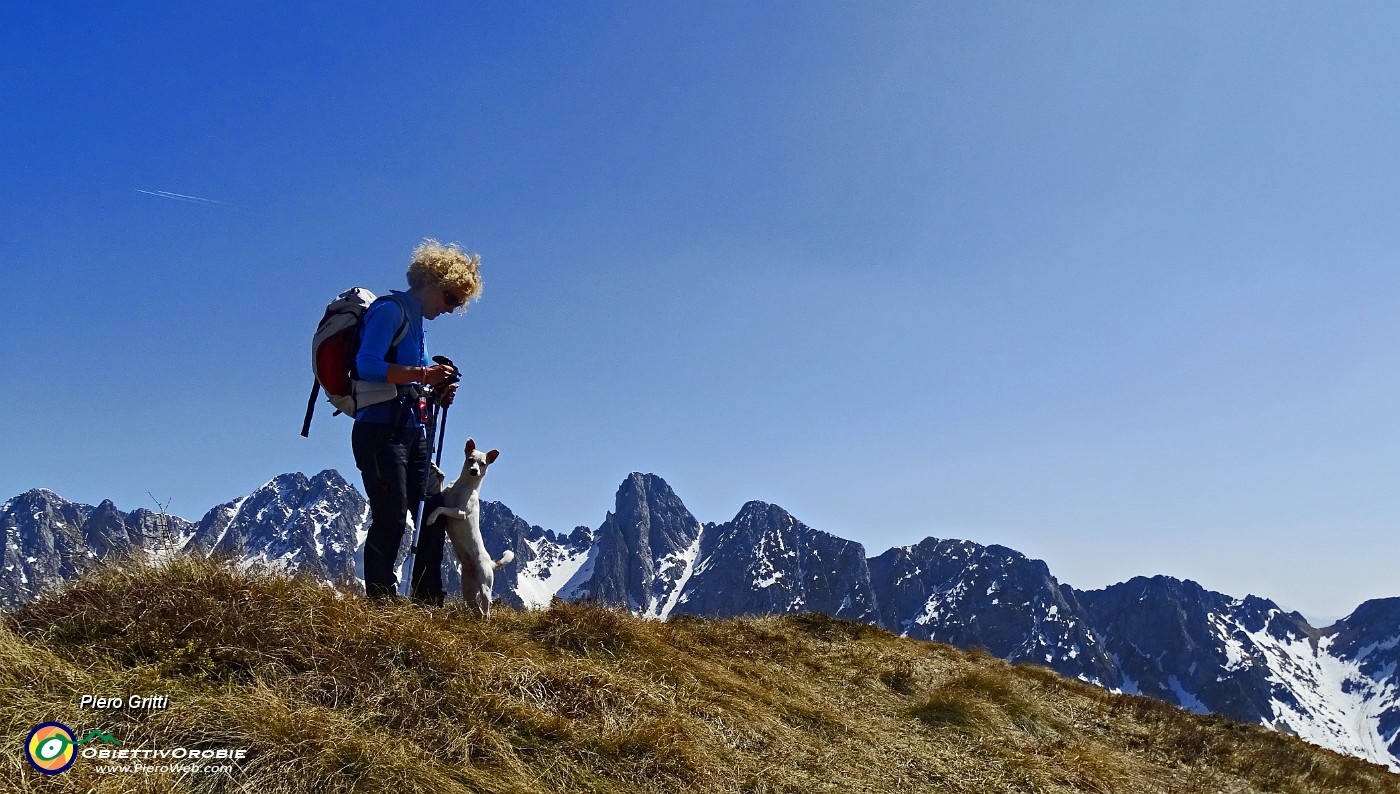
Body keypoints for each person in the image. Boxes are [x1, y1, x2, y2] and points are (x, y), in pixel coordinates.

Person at [353, 238, 481, 603]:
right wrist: (425, 377)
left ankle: (429, 601)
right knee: (391, 516)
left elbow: (412, 380)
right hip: (380, 430)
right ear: (430, 283)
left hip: (412, 431)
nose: (452, 309)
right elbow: (368, 365)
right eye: (451, 299)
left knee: (431, 513)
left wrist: (436, 390)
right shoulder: (389, 311)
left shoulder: (418, 324)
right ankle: (381, 602)